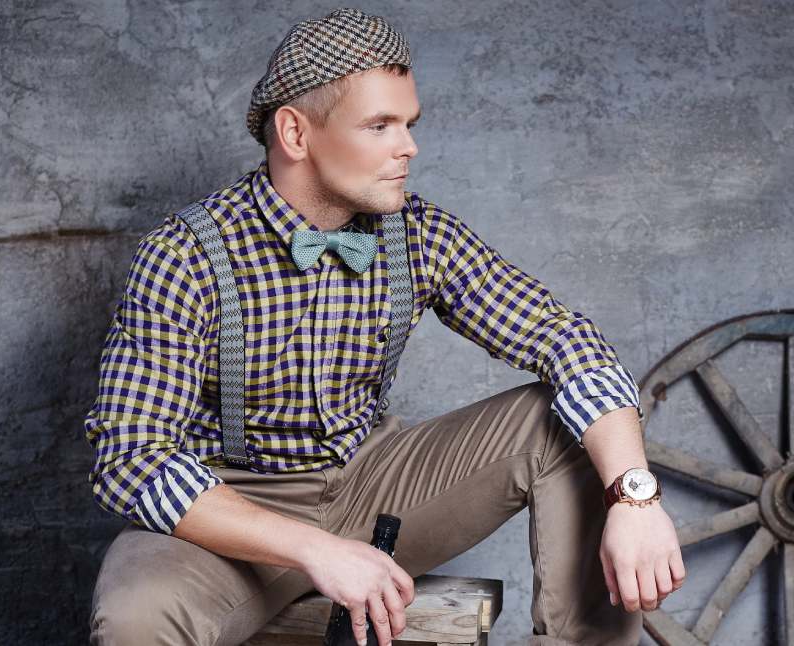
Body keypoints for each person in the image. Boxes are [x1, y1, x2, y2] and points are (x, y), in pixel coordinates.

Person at [85, 7, 684, 646]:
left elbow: (567, 339)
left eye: (409, 124)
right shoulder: (185, 255)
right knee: (135, 619)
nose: (409, 147)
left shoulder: (416, 232)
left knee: (566, 420)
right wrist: (314, 548)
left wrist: (634, 496)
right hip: (234, 508)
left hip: (376, 484)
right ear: (295, 133)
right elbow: (131, 458)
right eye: (380, 125)